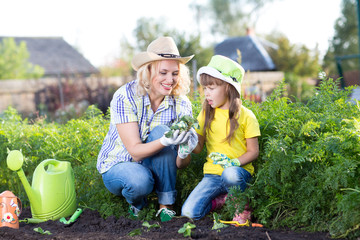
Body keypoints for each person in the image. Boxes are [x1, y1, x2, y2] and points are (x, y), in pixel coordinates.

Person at [97, 36, 198, 222]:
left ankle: (165, 206)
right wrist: (165, 141)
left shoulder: (181, 104)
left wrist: (184, 151)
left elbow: (180, 165)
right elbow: (135, 152)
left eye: (175, 73)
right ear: (148, 70)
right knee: (138, 181)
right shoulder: (125, 96)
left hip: (154, 165)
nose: (170, 80)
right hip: (119, 165)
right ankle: (139, 205)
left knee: (161, 131)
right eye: (163, 72)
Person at [181, 55, 260, 223]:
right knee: (188, 212)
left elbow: (253, 151)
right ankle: (222, 201)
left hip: (237, 173)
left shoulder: (246, 116)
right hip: (212, 176)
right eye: (205, 88)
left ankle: (241, 207)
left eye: (211, 87)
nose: (206, 93)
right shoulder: (205, 113)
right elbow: (198, 147)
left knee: (230, 174)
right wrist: (186, 142)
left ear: (228, 87)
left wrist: (234, 163)